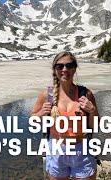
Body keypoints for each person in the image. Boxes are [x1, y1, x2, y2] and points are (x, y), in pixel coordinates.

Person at [31, 51, 99, 180]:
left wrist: (92, 111)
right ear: (54, 70)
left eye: (69, 65)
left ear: (75, 68)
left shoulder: (85, 94)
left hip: (82, 151)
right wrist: (41, 114)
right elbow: (33, 120)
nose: (65, 69)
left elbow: (94, 126)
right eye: (60, 66)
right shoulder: (47, 95)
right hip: (56, 151)